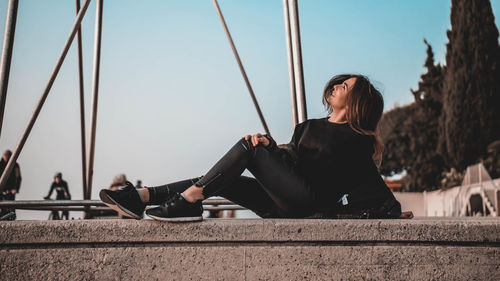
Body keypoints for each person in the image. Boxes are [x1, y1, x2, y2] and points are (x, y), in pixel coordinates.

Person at [100, 74, 413, 222]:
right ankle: (142, 196)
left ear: (356, 102)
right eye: (339, 82)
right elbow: (291, 159)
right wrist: (270, 146)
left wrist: (392, 210)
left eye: (345, 86)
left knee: (246, 148)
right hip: (281, 202)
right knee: (226, 176)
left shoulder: (357, 139)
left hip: (307, 204)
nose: (336, 86)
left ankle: (188, 201)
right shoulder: (309, 126)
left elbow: (370, 183)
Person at [0, 150, 22, 219]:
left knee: (11, 206)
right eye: (4, 156)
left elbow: (18, 178)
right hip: (1, 188)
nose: (5, 158)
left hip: (11, 189)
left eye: (7, 156)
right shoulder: (0, 164)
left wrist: (16, 189)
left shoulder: (15, 165)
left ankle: (12, 219)